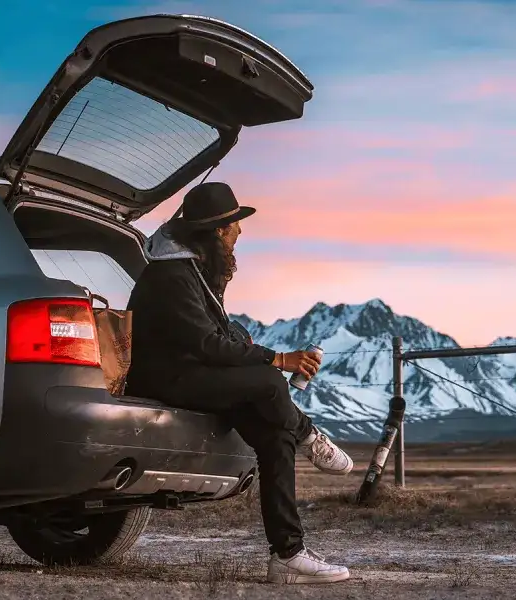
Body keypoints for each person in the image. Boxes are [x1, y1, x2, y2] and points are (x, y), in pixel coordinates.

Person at [123, 181, 353, 585]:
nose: (239, 234)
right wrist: (277, 359)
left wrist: (259, 351)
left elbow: (221, 336)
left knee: (273, 438)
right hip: (167, 381)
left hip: (196, 375)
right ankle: (309, 435)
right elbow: (206, 345)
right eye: (234, 227)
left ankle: (288, 556)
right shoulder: (172, 276)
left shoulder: (196, 271)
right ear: (216, 230)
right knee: (268, 383)